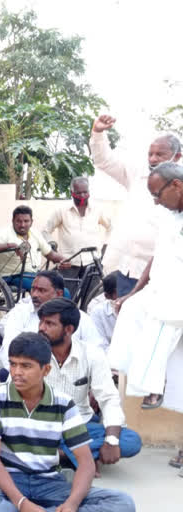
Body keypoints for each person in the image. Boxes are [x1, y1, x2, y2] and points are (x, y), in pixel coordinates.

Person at [0, 333, 135, 512]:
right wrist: (22, 503)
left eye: (26, 366)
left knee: (122, 503)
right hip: (8, 481)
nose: (16, 372)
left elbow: (86, 462)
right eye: (13, 364)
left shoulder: (63, 403)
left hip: (50, 481)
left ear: (46, 370)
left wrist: (72, 504)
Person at [109, 162, 183, 410]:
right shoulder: (169, 216)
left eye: (157, 194)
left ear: (176, 185)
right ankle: (120, 373)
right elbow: (157, 256)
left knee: (160, 320)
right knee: (130, 309)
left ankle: (154, 385)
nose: (155, 202)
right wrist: (132, 293)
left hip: (177, 295)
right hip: (160, 287)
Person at [37, 298, 141, 474]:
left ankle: (61, 456)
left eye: (49, 323)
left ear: (68, 329)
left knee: (130, 441)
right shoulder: (32, 351)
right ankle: (82, 457)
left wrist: (112, 441)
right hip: (40, 427)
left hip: (79, 427)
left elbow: (108, 398)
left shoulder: (91, 354)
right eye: (41, 322)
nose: (41, 328)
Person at [90, 115, 181, 295]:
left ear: (176, 157)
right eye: (150, 154)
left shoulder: (179, 187)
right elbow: (104, 161)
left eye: (159, 154)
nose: (153, 159)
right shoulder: (137, 174)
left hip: (164, 275)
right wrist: (98, 133)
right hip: (128, 271)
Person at [0, 271, 103, 370]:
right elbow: (8, 348)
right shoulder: (20, 313)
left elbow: (96, 352)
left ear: (59, 294)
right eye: (33, 289)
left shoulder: (82, 319)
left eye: (41, 290)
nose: (34, 294)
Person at [41, 177, 112, 295]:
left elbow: (111, 227)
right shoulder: (61, 210)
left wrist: (105, 247)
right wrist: (54, 251)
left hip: (92, 262)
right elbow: (45, 231)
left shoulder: (97, 210)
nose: (83, 195)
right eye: (79, 193)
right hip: (69, 262)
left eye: (85, 192)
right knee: (67, 298)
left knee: (91, 299)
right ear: (72, 193)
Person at [0, 205, 67, 291]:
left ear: (31, 222)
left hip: (33, 275)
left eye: (26, 221)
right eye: (18, 221)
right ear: (13, 221)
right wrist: (10, 246)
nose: (22, 225)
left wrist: (64, 260)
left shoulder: (35, 233)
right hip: (11, 277)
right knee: (50, 290)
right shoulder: (4, 233)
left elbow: (51, 254)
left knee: (62, 290)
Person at [87, 271, 120, 349]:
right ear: (107, 296)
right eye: (119, 292)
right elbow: (100, 346)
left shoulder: (137, 308)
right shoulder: (98, 312)